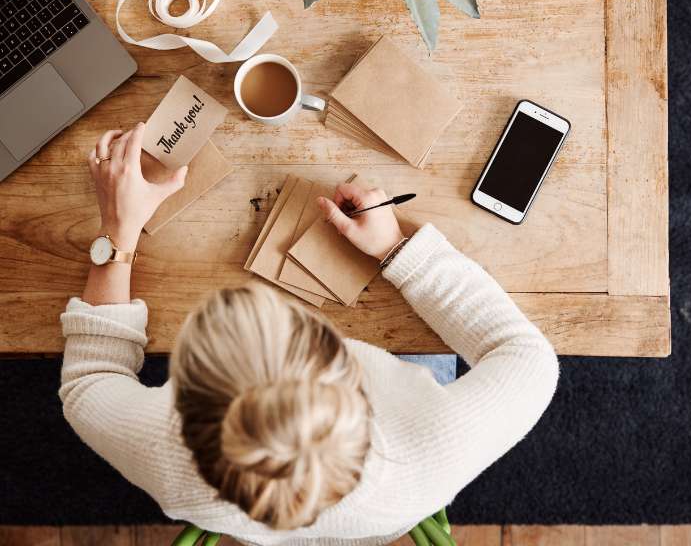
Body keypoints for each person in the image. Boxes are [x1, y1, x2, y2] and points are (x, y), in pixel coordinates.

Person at [60, 123, 559, 545]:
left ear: (182, 410)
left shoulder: (167, 453)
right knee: (428, 357)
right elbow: (528, 357)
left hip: (252, 517)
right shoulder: (435, 448)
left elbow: (89, 383)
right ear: (348, 369)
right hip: (398, 507)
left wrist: (117, 234)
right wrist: (397, 251)